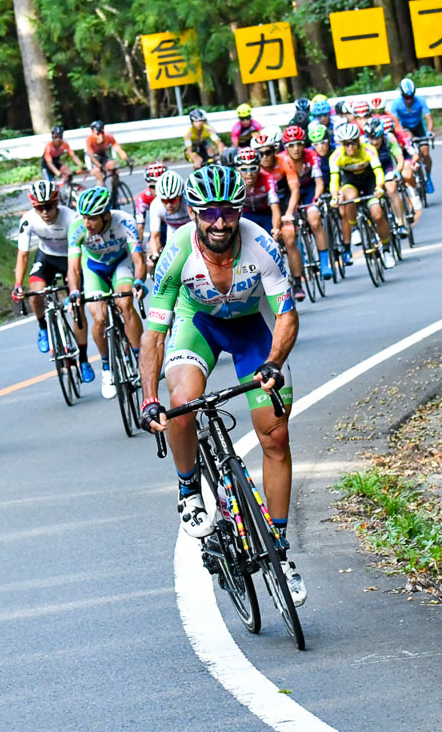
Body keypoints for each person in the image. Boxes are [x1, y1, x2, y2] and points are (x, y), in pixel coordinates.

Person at [137, 164, 306, 607]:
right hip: (199, 327)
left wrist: (274, 362)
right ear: (193, 213)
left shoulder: (262, 244)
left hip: (253, 330)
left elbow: (286, 315)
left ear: (239, 210)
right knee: (183, 402)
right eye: (208, 213)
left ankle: (281, 550)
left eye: (227, 212)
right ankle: (189, 488)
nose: (218, 222)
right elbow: (154, 334)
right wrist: (149, 398)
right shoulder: (175, 253)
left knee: (276, 435)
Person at [67, 186, 147, 399]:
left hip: (121, 263)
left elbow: (138, 259)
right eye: (85, 218)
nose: (87, 223)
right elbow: (73, 267)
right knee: (99, 318)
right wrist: (74, 290)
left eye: (92, 219)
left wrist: (139, 281)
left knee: (125, 304)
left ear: (106, 215)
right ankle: (106, 368)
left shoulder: (125, 221)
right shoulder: (77, 228)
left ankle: (140, 359)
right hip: (94, 268)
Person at [12, 181, 94, 382]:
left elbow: (83, 249)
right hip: (46, 257)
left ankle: (83, 360)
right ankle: (42, 327)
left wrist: (74, 277)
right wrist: (17, 284)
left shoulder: (71, 218)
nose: (45, 211)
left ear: (56, 202)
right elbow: (22, 255)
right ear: (34, 207)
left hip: (71, 257)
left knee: (77, 308)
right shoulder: (28, 220)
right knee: (36, 294)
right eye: (40, 207)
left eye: (49, 205)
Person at [329, 122, 391, 268]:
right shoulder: (336, 156)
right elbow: (334, 179)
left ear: (358, 141)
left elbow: (378, 171)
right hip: (351, 182)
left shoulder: (368, 150)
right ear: (342, 144)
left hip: (369, 181)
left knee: (377, 214)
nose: (350, 147)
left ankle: (387, 248)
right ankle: (355, 228)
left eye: (353, 143)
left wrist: (380, 187)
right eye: (346, 144)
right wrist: (334, 196)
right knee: (349, 197)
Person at [251, 132, 304, 301]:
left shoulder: (284, 162)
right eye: (260, 153)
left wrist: (288, 213)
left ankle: (297, 282)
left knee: (289, 237)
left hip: (284, 203)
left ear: (274, 150)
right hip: (265, 208)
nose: (265, 157)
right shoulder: (253, 170)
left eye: (268, 152)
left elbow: (295, 190)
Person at [282, 124, 331, 279]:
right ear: (285, 147)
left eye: (299, 144)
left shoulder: (312, 155)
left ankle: (324, 263)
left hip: (309, 189)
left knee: (314, 220)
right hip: (291, 193)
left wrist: (316, 200)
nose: (296, 149)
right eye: (291, 145)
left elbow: (319, 182)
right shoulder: (283, 160)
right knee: (291, 228)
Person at [365, 117, 418, 238]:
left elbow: (399, 159)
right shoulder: (363, 143)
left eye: (377, 138)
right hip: (371, 171)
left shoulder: (389, 138)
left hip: (387, 166)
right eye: (371, 138)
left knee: (392, 189)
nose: (374, 142)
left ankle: (400, 223)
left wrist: (397, 172)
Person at [390, 78, 435, 193]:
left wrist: (430, 131)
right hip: (405, 128)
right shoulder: (396, 103)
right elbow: (395, 122)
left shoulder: (420, 100)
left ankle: (428, 178)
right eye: (406, 97)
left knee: (425, 152)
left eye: (411, 97)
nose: (409, 100)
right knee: (409, 137)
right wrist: (400, 135)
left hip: (419, 127)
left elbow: (429, 119)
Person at [145, 170, 190, 265]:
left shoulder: (188, 201)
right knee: (152, 261)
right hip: (172, 230)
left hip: (191, 228)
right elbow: (155, 237)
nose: (169, 205)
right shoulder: (156, 205)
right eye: (165, 201)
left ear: (181, 196)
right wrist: (155, 254)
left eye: (173, 200)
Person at [234, 146, 280, 235]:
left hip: (265, 214)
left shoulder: (268, 179)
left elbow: (275, 208)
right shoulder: (234, 182)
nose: (249, 174)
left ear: (259, 168)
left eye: (253, 168)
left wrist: (276, 228)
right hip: (246, 215)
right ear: (237, 170)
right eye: (244, 169)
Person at [84, 120, 129, 186]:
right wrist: (99, 166)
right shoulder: (90, 140)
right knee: (99, 175)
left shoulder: (108, 136)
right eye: (97, 134)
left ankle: (114, 190)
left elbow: (117, 148)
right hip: (92, 158)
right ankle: (101, 191)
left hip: (103, 155)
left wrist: (126, 158)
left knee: (114, 169)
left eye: (101, 133)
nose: (100, 137)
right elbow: (91, 155)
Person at [135, 162, 166, 245]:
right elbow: (140, 228)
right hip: (159, 225)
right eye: (153, 187)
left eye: (160, 185)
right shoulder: (143, 198)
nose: (157, 191)